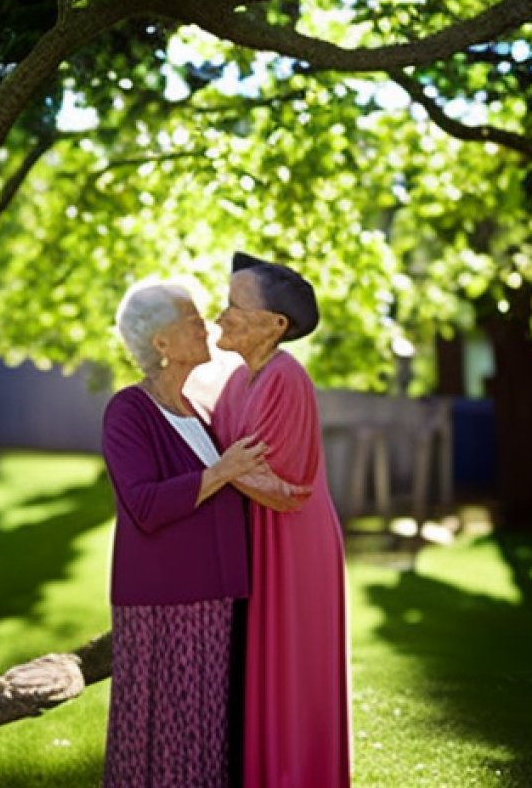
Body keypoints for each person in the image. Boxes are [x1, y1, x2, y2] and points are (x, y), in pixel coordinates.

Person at [101, 280, 273, 788]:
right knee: (164, 738)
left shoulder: (198, 414)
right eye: (194, 321)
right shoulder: (129, 411)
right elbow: (145, 506)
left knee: (202, 738)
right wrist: (222, 471)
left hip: (215, 598)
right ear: (161, 344)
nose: (208, 326)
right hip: (164, 603)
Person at [211, 253, 352, 788]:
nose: (220, 316)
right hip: (259, 541)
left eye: (233, 306)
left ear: (276, 325)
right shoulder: (237, 382)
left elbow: (282, 489)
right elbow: (226, 461)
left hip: (292, 546)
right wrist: (220, 468)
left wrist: (215, 469)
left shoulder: (285, 378)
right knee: (260, 669)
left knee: (289, 670)